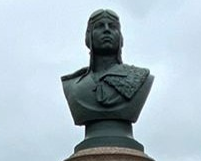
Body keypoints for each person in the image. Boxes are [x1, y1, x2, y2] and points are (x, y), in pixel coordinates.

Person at [60, 8, 155, 151]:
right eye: (99, 26)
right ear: (89, 37)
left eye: (113, 27)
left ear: (121, 37)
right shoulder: (72, 86)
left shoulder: (141, 78)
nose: (106, 30)